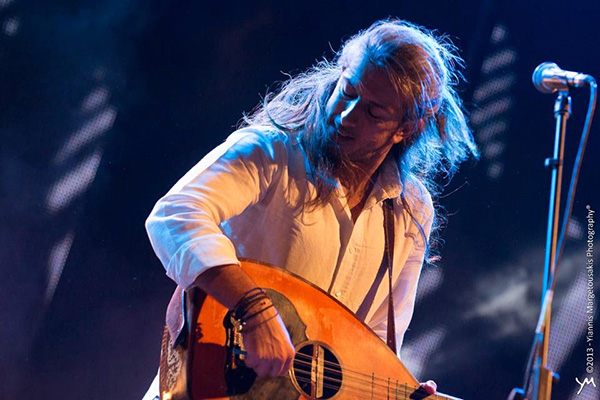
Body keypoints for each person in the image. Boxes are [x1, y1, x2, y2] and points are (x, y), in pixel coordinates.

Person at [143, 18, 478, 399]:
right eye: (347, 90)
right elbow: (175, 214)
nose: (347, 115)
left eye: (374, 113)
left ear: (407, 128)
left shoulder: (411, 209)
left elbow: (373, 346)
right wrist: (254, 309)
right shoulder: (273, 150)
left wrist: (399, 391)